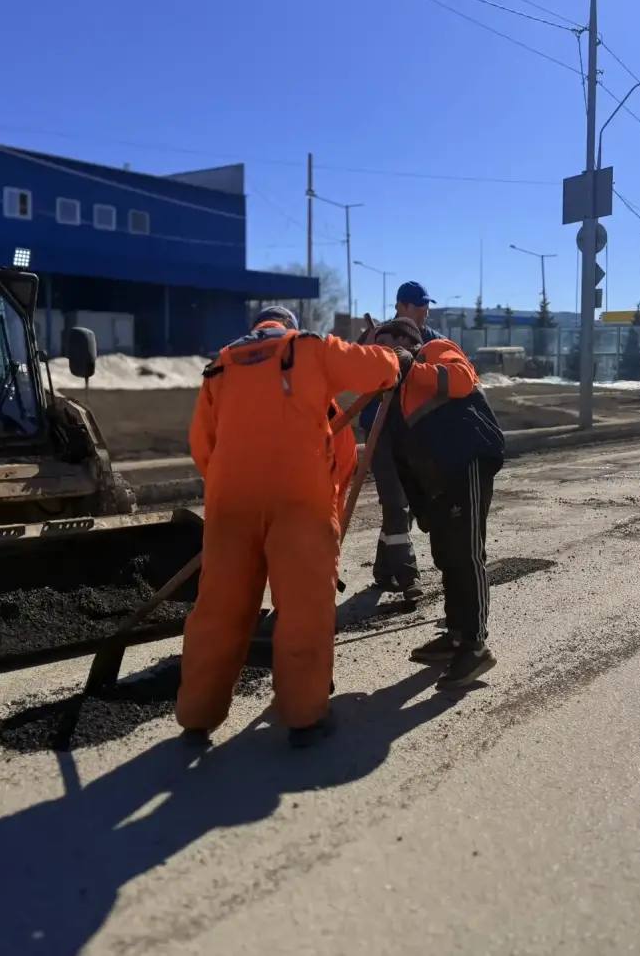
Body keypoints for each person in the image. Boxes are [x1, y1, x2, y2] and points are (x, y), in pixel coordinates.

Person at [177, 305, 400, 746]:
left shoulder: (221, 365)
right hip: (299, 501)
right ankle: (303, 717)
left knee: (219, 609)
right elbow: (377, 369)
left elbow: (202, 446)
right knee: (303, 609)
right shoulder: (309, 348)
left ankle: (197, 714)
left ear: (256, 329)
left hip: (230, 504)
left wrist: (233, 488)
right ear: (289, 327)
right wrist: (396, 358)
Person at [372, 318, 505, 690]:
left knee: (466, 553)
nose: (382, 355)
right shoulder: (399, 393)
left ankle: (475, 644)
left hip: (466, 463)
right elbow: (405, 458)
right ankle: (456, 635)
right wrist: (422, 506)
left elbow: (460, 380)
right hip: (439, 483)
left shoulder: (434, 351)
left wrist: (410, 365)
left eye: (387, 346)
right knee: (447, 556)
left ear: (407, 341)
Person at [360, 281, 443, 596]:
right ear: (401, 306)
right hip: (380, 431)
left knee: (405, 503)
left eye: (427, 305)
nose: (426, 311)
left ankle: (384, 571)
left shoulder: (432, 340)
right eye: (420, 305)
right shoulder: (379, 336)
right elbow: (356, 374)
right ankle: (409, 577)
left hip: (414, 432)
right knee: (396, 503)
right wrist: (371, 350)